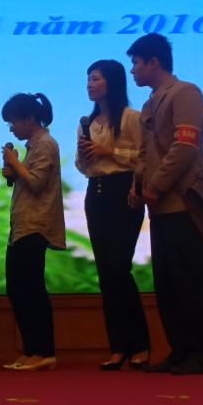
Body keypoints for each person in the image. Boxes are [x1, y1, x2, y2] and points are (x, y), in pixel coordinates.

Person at [127, 33, 203, 375]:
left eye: (136, 63)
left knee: (190, 280)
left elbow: (185, 148)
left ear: (154, 62)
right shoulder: (150, 104)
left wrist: (156, 186)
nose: (133, 70)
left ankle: (202, 354)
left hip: (184, 204)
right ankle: (179, 351)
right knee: (167, 284)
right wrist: (138, 186)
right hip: (159, 207)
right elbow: (144, 152)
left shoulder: (185, 93)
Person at [74, 59, 153, 371]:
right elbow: (82, 166)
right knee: (106, 273)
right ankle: (118, 347)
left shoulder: (132, 118)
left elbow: (145, 157)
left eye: (96, 79)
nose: (90, 84)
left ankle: (140, 345)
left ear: (113, 82)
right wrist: (85, 156)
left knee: (119, 268)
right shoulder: (88, 123)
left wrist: (110, 152)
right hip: (96, 193)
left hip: (125, 191)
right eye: (88, 79)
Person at [0, 92, 65, 371]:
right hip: (23, 226)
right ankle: (31, 349)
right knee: (18, 288)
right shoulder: (34, 146)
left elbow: (37, 183)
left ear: (28, 119)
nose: (11, 128)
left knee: (31, 289)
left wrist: (15, 163)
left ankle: (43, 350)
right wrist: (15, 170)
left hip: (35, 226)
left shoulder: (46, 144)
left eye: (13, 122)